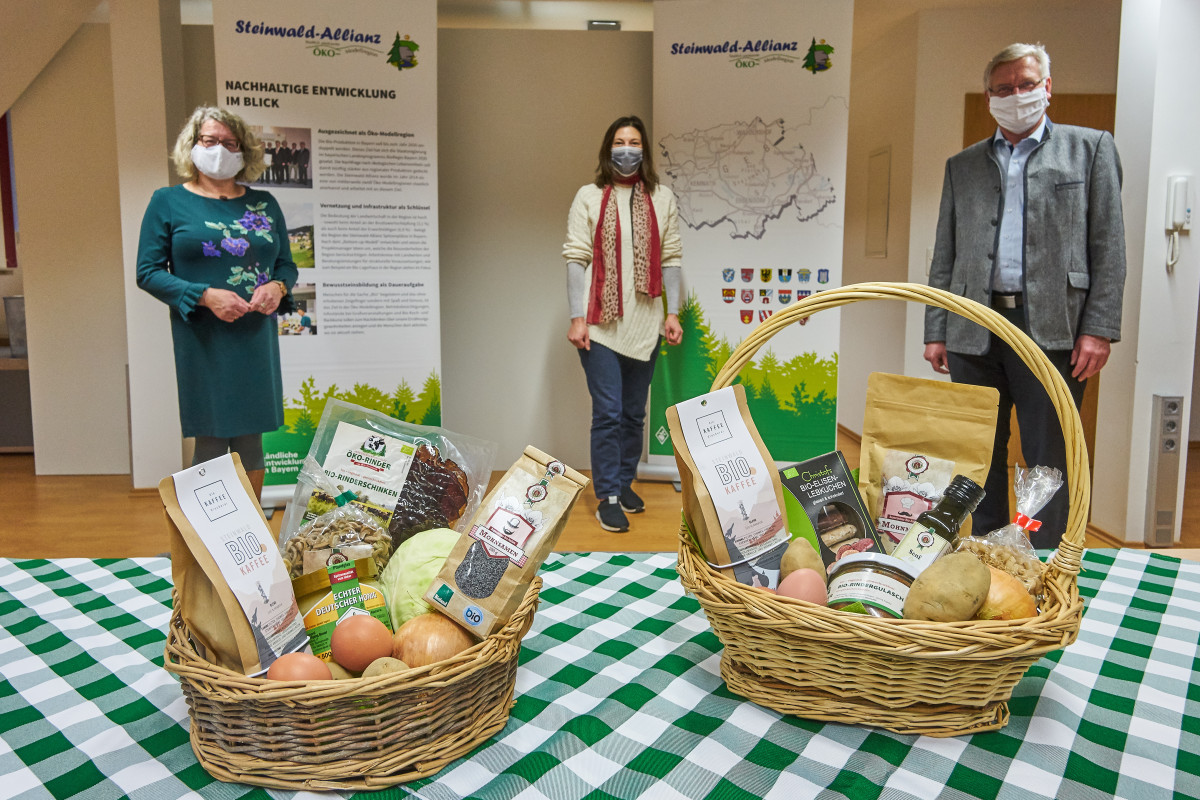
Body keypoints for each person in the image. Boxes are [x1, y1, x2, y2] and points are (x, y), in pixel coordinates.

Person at [923, 43, 1126, 549]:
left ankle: (1045, 563)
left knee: (1049, 457)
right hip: (974, 328)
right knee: (977, 455)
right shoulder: (962, 165)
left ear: (1047, 87)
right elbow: (944, 253)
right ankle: (984, 561)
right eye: (1004, 88)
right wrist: (936, 329)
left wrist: (1098, 329)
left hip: (1054, 329)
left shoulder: (1091, 149)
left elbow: (1109, 246)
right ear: (990, 96)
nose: (1017, 95)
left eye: (1027, 84)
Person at [136, 106, 297, 499]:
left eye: (230, 143)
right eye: (210, 141)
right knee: (209, 441)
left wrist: (277, 287)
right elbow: (148, 271)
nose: (220, 150)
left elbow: (286, 267)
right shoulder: (168, 201)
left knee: (251, 442)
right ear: (192, 146)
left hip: (255, 336)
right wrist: (205, 296)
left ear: (244, 151)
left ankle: (252, 542)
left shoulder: (264, 203)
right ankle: (207, 546)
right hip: (202, 337)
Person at [563, 115, 684, 533]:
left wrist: (673, 311)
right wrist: (577, 318)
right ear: (607, 148)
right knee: (609, 413)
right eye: (619, 141)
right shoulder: (589, 197)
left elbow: (671, 257)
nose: (626, 149)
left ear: (644, 150)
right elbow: (576, 259)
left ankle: (626, 481)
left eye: (634, 142)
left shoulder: (662, 198)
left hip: (646, 325)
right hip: (599, 325)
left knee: (634, 414)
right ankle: (608, 496)